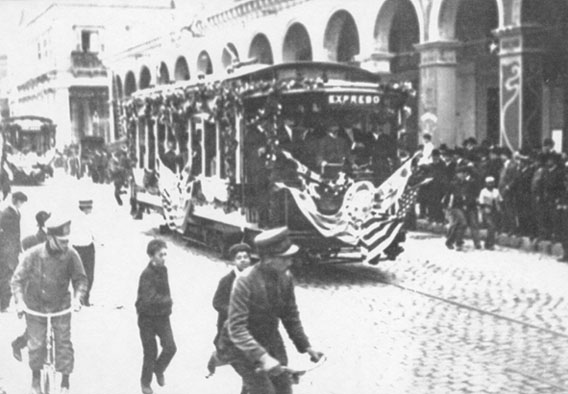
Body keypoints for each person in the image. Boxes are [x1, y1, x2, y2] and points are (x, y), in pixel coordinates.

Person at [217, 227, 324, 394]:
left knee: (283, 389)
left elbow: (290, 316)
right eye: (284, 258)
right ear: (268, 259)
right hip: (240, 346)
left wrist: (306, 346)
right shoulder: (245, 282)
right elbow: (237, 329)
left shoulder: (285, 277)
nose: (290, 262)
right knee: (264, 391)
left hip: (270, 340)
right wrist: (263, 357)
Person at [11, 214, 87, 394]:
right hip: (35, 306)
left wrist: (77, 299)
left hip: (61, 306)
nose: (65, 245)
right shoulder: (33, 254)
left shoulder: (71, 254)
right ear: (50, 238)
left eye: (67, 240)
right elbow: (17, 280)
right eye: (61, 241)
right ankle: (36, 377)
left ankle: (65, 382)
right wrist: (20, 302)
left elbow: (81, 280)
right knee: (36, 344)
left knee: (64, 343)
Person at [207, 242, 254, 393]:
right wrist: (234, 312)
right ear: (234, 260)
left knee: (250, 371)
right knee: (248, 371)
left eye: (246, 257)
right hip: (230, 331)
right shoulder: (227, 281)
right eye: (239, 257)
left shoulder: (256, 279)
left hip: (251, 330)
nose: (243, 260)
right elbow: (217, 302)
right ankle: (217, 358)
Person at [135, 239, 177, 394]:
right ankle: (145, 383)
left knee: (171, 347)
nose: (164, 258)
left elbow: (165, 291)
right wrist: (168, 301)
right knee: (150, 351)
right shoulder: (146, 275)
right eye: (160, 255)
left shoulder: (163, 269)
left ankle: (159, 369)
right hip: (146, 318)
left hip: (162, 316)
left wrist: (167, 306)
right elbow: (149, 299)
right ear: (151, 256)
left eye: (165, 254)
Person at [12, 210, 51, 362]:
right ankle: (19, 344)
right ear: (44, 225)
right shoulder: (30, 242)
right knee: (36, 326)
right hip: (33, 289)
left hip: (51, 288)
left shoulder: (54, 240)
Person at [0, 191, 28, 312]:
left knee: (10, 275)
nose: (22, 204)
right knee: (7, 275)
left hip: (12, 249)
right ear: (16, 200)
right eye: (21, 202)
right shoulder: (7, 214)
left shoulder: (15, 212)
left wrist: (18, 246)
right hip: (7, 250)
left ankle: (5, 303)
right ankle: (3, 304)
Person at [71, 199, 96, 306]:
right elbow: (95, 233)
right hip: (88, 248)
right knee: (89, 274)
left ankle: (78, 297)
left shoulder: (74, 218)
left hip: (76, 249)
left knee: (77, 274)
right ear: (86, 208)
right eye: (90, 207)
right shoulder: (88, 219)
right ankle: (85, 298)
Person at [478, 176, 502, 250]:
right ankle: (490, 244)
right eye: (489, 183)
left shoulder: (496, 191)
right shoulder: (483, 191)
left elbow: (501, 200)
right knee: (491, 226)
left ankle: (487, 243)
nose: (490, 185)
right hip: (487, 211)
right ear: (486, 184)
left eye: (492, 183)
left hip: (495, 211)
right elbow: (481, 202)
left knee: (492, 228)